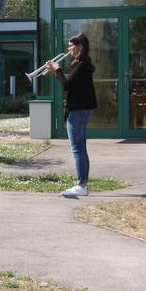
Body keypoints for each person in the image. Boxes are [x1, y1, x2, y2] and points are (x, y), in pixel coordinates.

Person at [46, 33, 97, 197]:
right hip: (82, 110)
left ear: (80, 46)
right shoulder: (83, 65)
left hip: (77, 111)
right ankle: (83, 184)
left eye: (71, 45)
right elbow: (71, 85)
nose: (68, 49)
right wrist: (56, 72)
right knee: (81, 149)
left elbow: (67, 85)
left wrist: (57, 70)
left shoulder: (81, 65)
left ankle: (81, 185)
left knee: (77, 150)